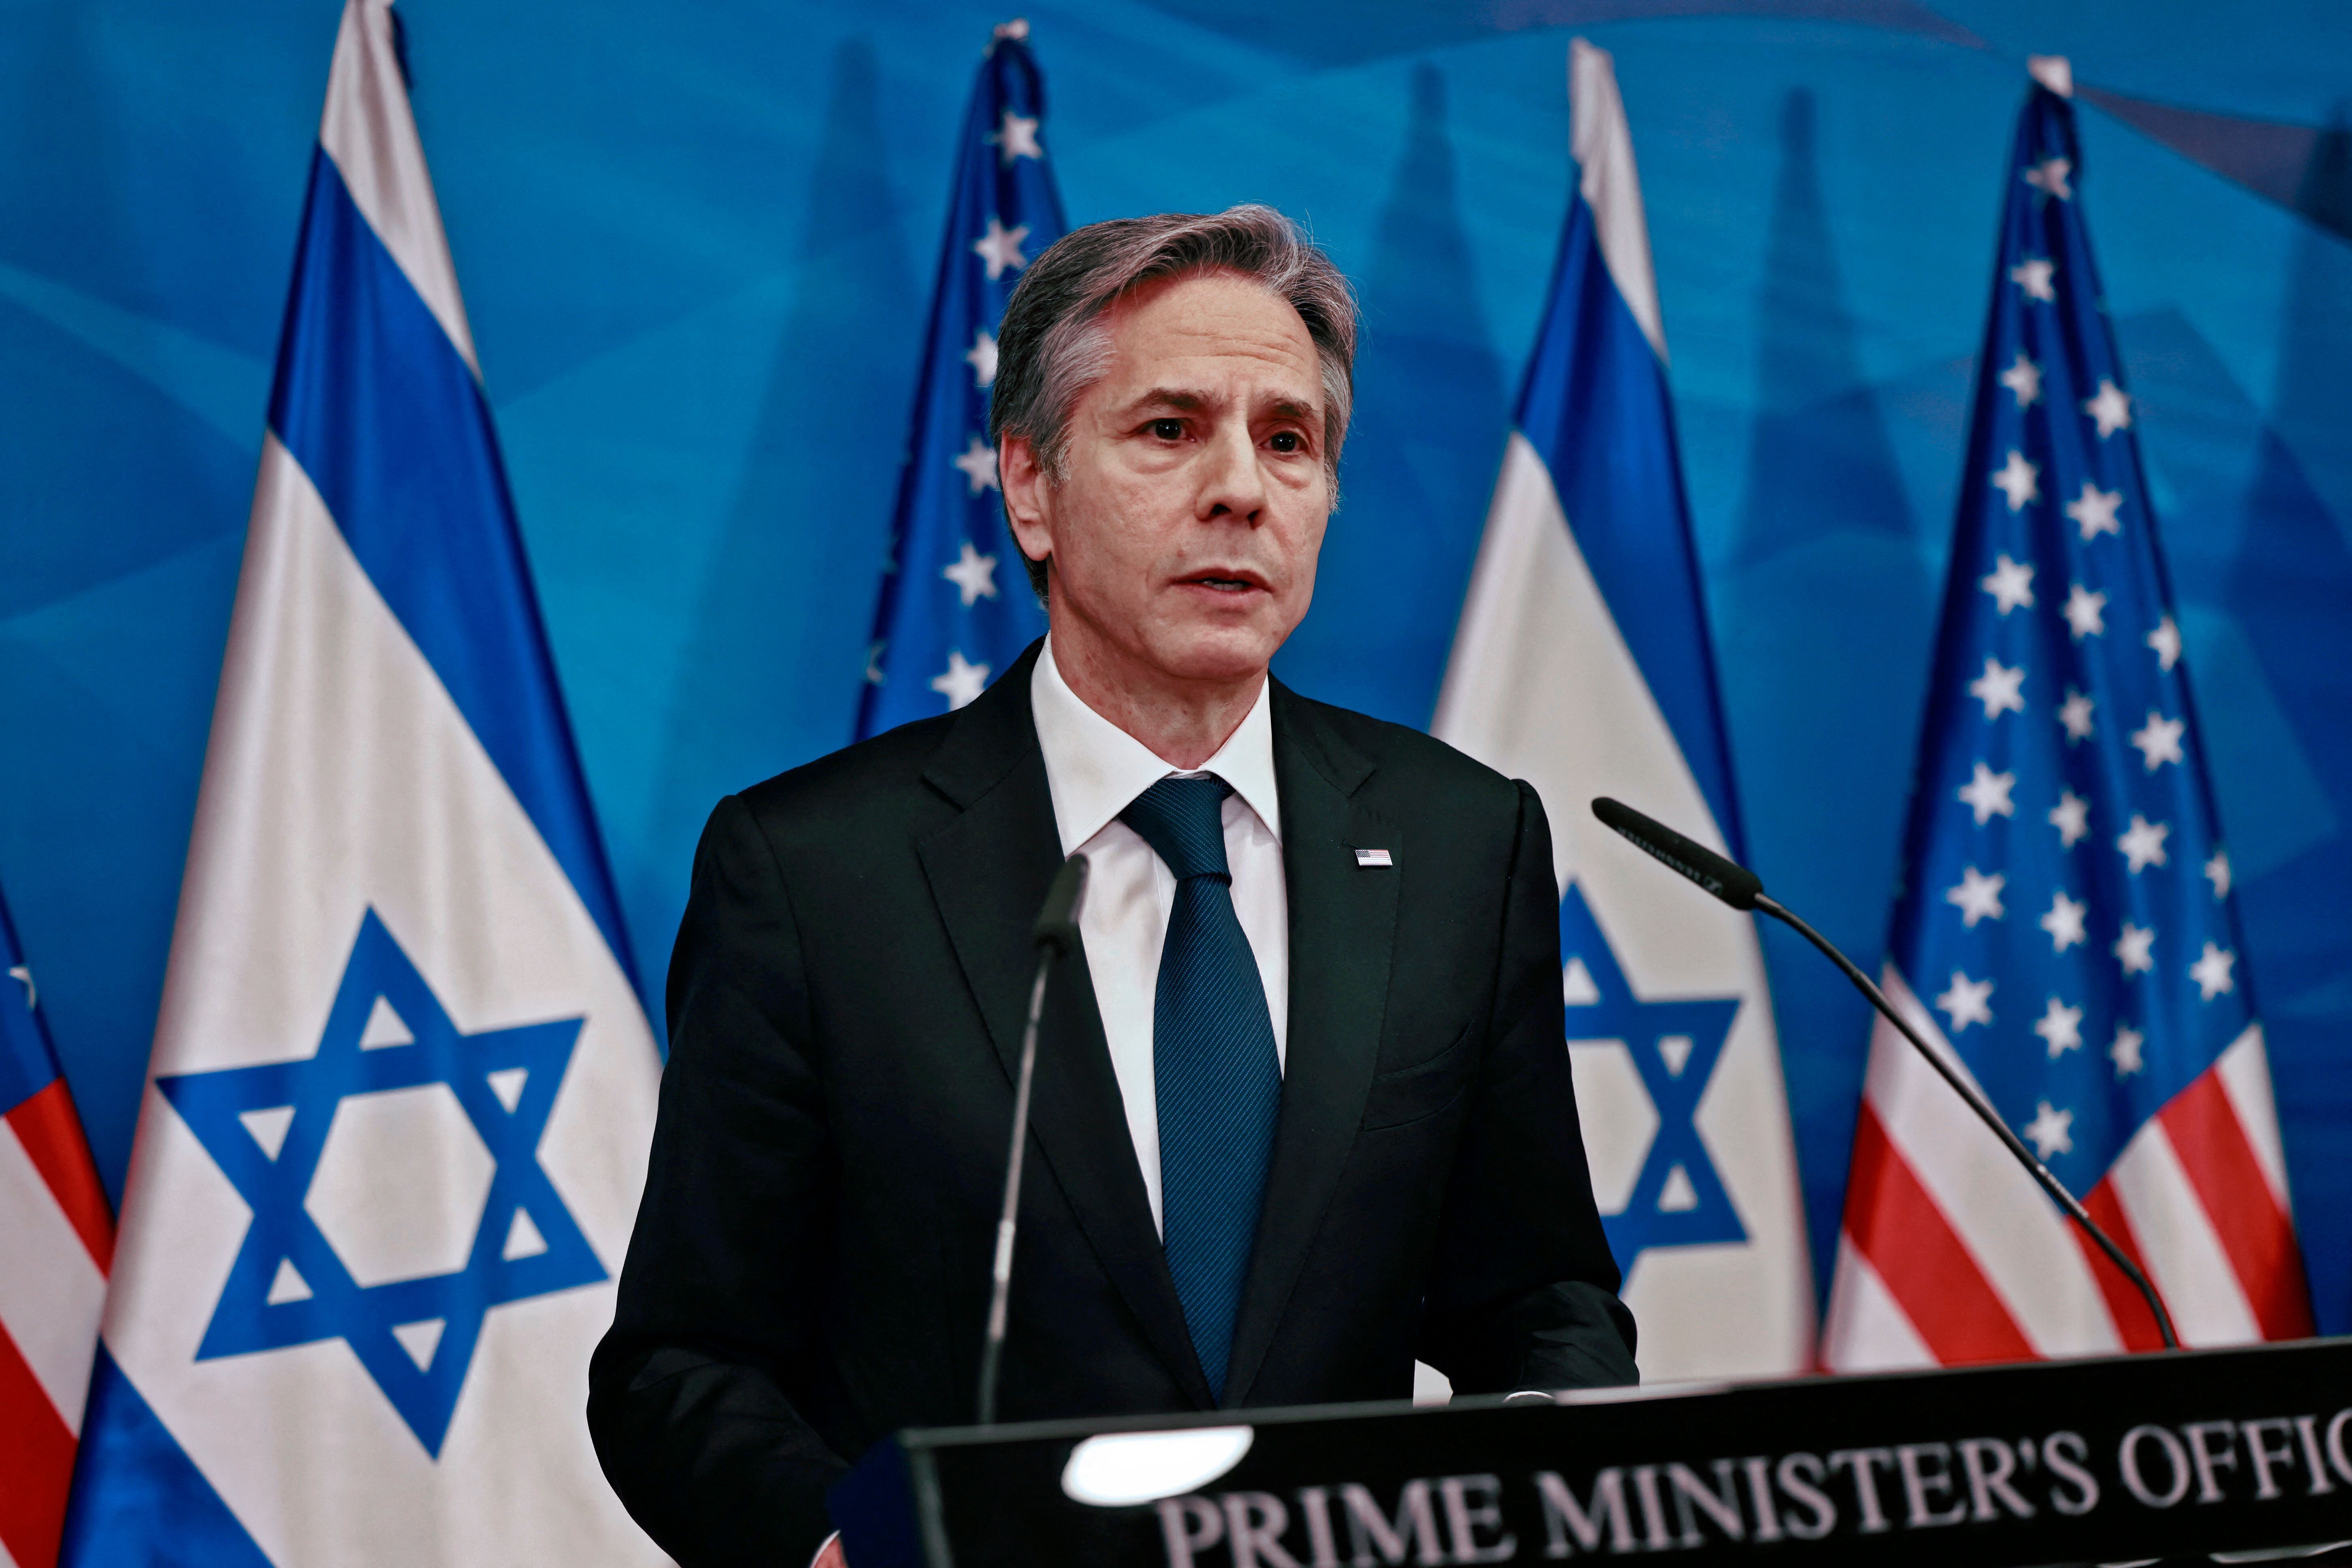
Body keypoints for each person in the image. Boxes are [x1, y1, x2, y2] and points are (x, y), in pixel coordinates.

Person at [587, 205, 1636, 1568]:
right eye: (1168, 429)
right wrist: (838, 1547)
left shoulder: (1458, 844)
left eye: (1287, 441)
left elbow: (1536, 1293)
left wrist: (1545, 1473)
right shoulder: (812, 873)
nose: (1240, 491)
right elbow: (686, 1363)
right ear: (1030, 486)